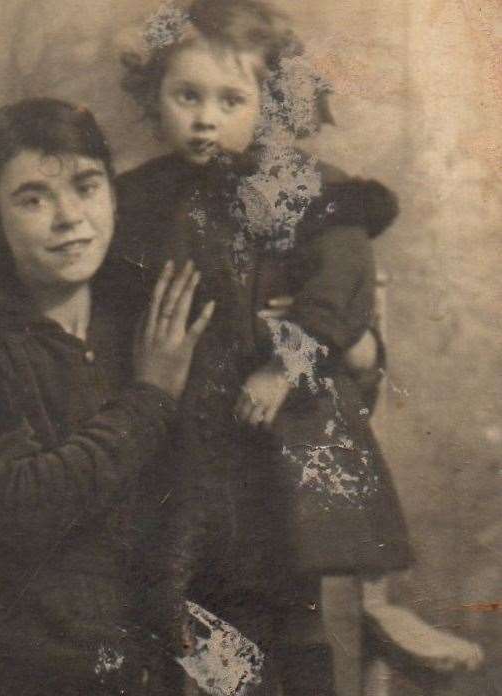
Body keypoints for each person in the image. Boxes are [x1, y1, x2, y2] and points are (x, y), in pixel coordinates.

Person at [114, 1, 415, 693]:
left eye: (230, 98)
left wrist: (286, 363)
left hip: (277, 436)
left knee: (290, 610)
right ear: (155, 97)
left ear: (268, 104)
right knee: (200, 609)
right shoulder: (140, 198)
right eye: (185, 95)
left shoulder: (302, 188)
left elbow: (344, 281)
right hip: (185, 439)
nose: (204, 117)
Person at [0, 97, 214, 696]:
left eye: (87, 186)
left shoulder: (146, 327)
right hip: (18, 673)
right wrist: (150, 397)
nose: (70, 217)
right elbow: (22, 506)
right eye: (34, 198)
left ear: (113, 197)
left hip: (157, 668)